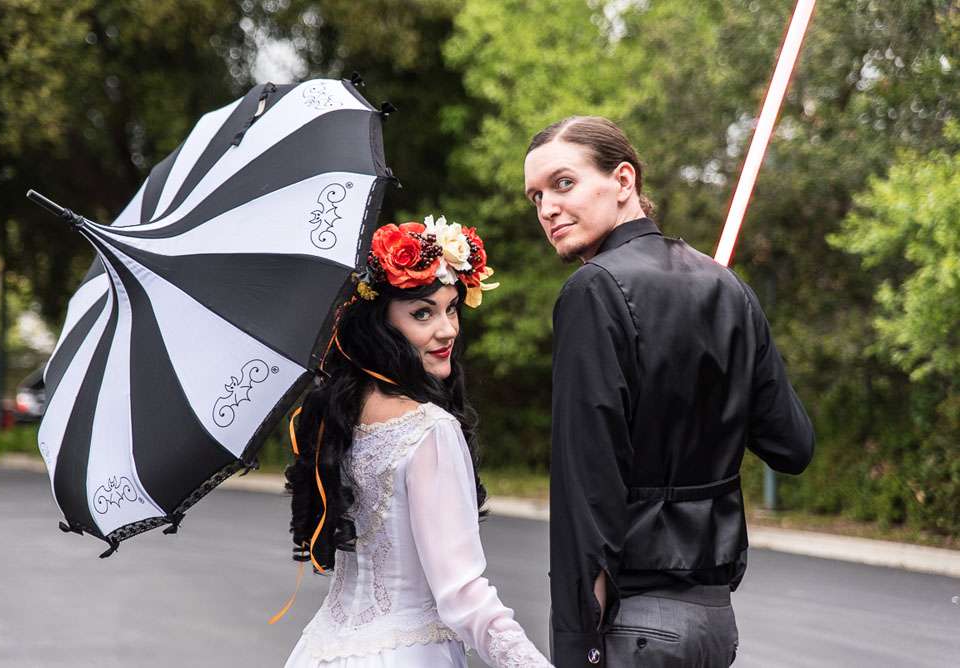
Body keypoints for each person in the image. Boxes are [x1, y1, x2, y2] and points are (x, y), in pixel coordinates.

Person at [523, 117, 814, 667]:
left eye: (563, 183)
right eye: (536, 196)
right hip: (715, 625)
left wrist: (577, 649)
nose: (547, 209)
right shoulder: (726, 287)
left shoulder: (593, 290)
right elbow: (791, 444)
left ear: (623, 180)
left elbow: (586, 484)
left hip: (634, 628)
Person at [282, 216, 552, 668]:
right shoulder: (428, 430)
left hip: (321, 653)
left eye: (452, 309)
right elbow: (463, 595)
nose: (447, 330)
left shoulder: (338, 417)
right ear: (380, 324)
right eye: (422, 313)